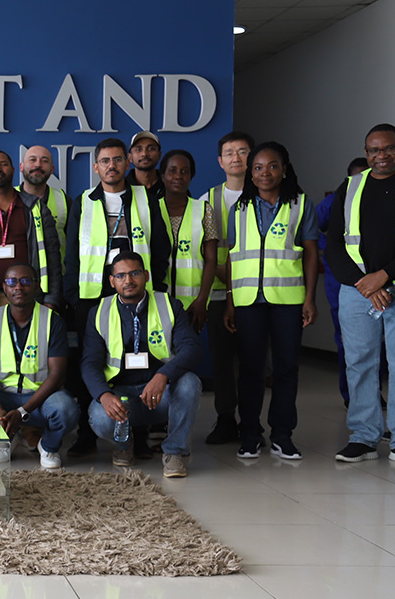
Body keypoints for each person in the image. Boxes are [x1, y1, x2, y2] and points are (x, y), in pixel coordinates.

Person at [327, 124, 395, 467]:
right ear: (366, 152)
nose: (381, 157)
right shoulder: (352, 186)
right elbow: (335, 245)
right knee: (359, 363)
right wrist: (365, 284)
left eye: (388, 149)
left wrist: (384, 277)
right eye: (374, 151)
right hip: (358, 291)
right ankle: (363, 437)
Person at [64, 137, 169, 455]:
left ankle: (137, 433)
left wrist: (157, 284)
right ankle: (87, 433)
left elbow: (162, 246)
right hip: (92, 295)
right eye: (105, 161)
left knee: (137, 359)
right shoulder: (83, 201)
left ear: (127, 163)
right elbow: (72, 251)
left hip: (137, 292)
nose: (112, 165)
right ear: (96, 167)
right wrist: (72, 294)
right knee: (91, 363)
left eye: (117, 159)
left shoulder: (146, 198)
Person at [223, 141, 319, 460]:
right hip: (249, 300)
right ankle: (250, 433)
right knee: (250, 369)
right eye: (259, 168)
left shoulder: (300, 204)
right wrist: (231, 302)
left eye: (272, 166)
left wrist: (309, 298)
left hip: (288, 300)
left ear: (285, 169)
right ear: (251, 173)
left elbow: (311, 253)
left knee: (286, 368)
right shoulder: (239, 208)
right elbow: (232, 258)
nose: (265, 173)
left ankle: (282, 434)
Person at [81, 252, 204, 477]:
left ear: (146, 275)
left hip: (160, 395)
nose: (128, 281)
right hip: (122, 397)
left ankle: (174, 452)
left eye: (134, 273)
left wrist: (163, 375)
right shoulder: (99, 312)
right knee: (98, 416)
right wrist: (104, 395)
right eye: (120, 276)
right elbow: (90, 363)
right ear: (112, 281)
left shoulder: (169, 305)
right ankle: (123, 445)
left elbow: (192, 349)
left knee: (189, 382)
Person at [0, 264, 78, 469]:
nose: (18, 287)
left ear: (36, 286)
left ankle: (48, 445)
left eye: (25, 281)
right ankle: (3, 440)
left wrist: (22, 411)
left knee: (66, 409)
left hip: (40, 397)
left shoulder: (53, 321)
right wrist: (0, 412)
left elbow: (57, 374)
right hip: (2, 395)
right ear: (4, 287)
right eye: (12, 282)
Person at [0, 149, 62, 354]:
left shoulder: (36, 208)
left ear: (14, 170)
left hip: (30, 296)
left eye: (3, 164)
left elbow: (52, 256)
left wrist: (51, 299)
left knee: (33, 355)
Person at [199, 131, 253, 445]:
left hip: (258, 293)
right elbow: (205, 251)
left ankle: (250, 422)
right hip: (220, 291)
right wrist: (228, 276)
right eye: (229, 153)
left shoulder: (264, 195)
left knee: (252, 361)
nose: (236, 158)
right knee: (221, 361)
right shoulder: (209, 199)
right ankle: (224, 419)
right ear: (220, 161)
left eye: (243, 151)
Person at [316, 156, 370, 407]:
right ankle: (351, 396)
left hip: (377, 278)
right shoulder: (335, 200)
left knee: (376, 342)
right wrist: (330, 251)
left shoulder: (384, 198)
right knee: (347, 340)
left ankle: (372, 393)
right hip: (341, 279)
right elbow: (311, 229)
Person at [159, 149, 218, 328]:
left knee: (188, 353)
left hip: (193, 304)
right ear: (162, 176)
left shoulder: (204, 210)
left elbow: (211, 260)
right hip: (158, 303)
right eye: (173, 170)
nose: (178, 176)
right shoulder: (151, 209)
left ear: (191, 176)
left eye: (185, 171)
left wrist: (202, 300)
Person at [21, 144, 70, 264]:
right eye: (32, 160)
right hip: (18, 279)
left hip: (57, 277)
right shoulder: (8, 198)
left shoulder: (64, 201)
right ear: (21, 167)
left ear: (52, 169)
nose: (38, 165)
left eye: (44, 161)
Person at [127, 131, 165, 199]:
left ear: (159, 155)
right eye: (139, 149)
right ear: (130, 157)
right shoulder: (122, 188)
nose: (144, 154)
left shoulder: (170, 186)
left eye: (151, 149)